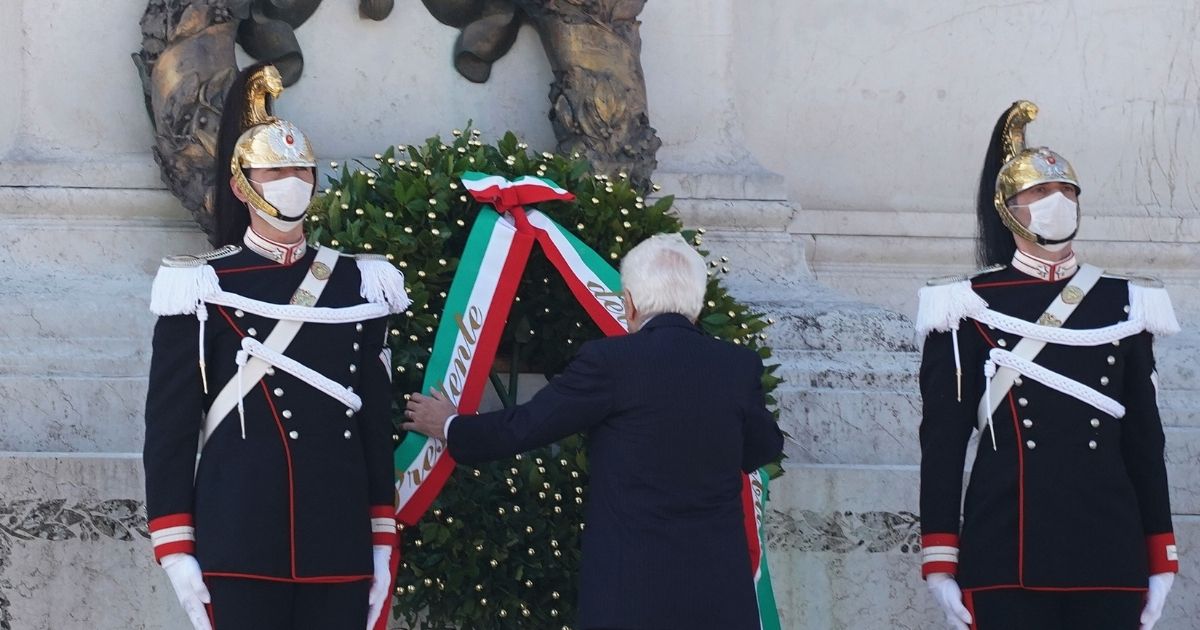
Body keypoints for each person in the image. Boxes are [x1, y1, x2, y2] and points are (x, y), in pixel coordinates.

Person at [401, 233, 784, 630]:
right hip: (719, 591)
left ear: (630, 304)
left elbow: (528, 426)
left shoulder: (611, 362)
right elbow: (763, 448)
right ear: (698, 305)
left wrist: (449, 425)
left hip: (631, 591)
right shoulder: (737, 366)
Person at [142, 63, 409, 630]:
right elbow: (169, 429)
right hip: (240, 537)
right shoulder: (201, 286)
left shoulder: (358, 284)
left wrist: (382, 535)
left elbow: (372, 425)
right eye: (275, 170)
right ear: (242, 185)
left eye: (301, 169)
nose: (291, 180)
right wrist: (174, 543)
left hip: (338, 541)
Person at [916, 100, 1180, 630]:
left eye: (1067, 191)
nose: (1057, 201)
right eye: (1039, 192)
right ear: (1009, 207)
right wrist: (940, 560)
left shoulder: (1126, 303)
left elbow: (1145, 441)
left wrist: (1160, 556)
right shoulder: (965, 304)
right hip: (1007, 547)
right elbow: (943, 441)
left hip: (1109, 546)